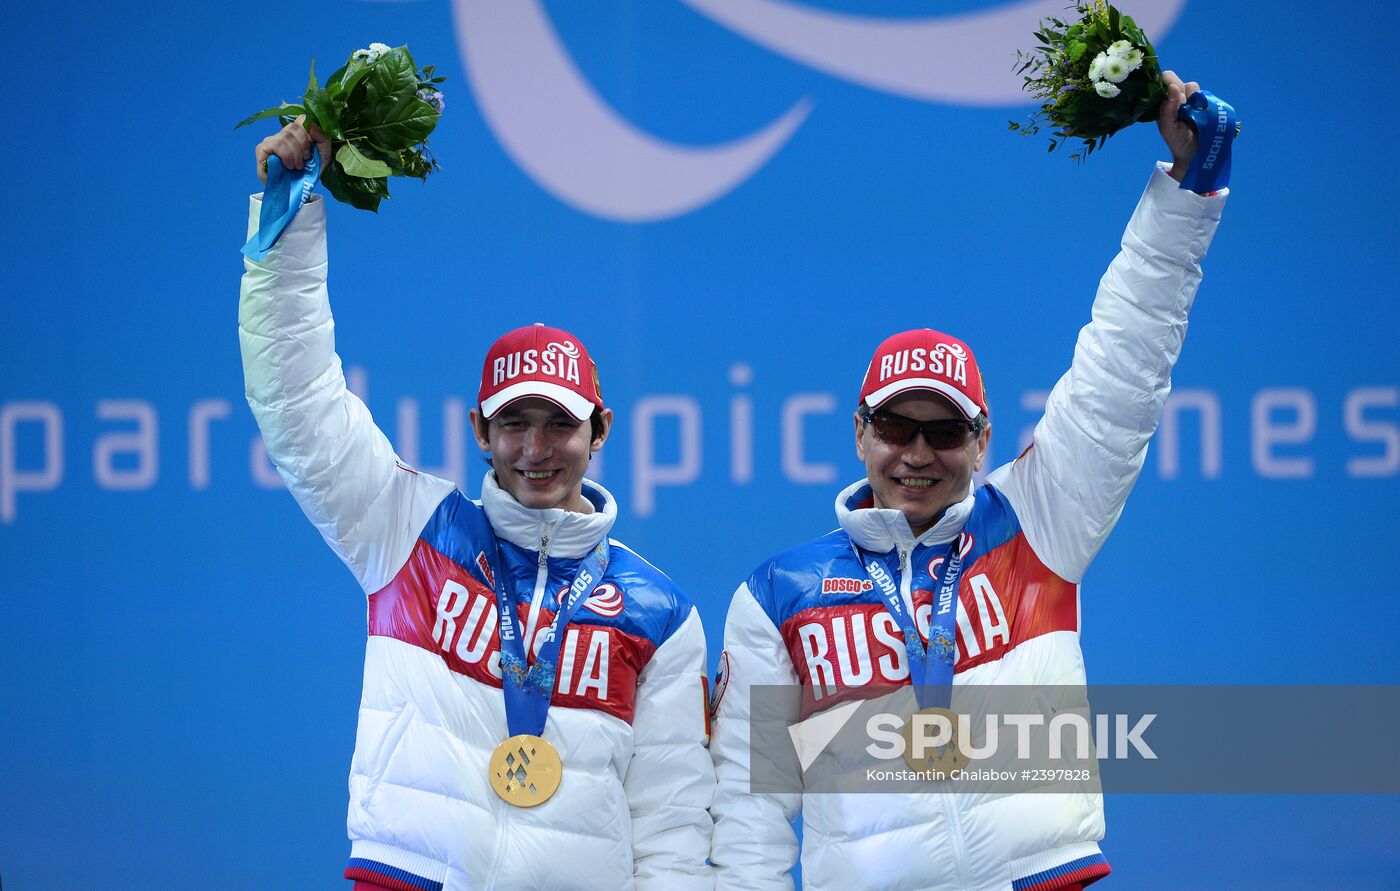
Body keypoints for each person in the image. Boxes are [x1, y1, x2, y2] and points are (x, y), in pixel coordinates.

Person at [708, 72, 1227, 890]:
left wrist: (1186, 197)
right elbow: (747, 810)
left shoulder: (1039, 518)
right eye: (894, 427)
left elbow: (1121, 367)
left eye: (944, 430)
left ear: (983, 441)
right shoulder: (779, 596)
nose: (917, 452)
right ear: (858, 432)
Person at [241, 120, 714, 891]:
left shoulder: (659, 613)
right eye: (514, 423)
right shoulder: (406, 526)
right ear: (478, 431)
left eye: (560, 422)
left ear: (600, 432)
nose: (536, 447)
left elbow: (671, 824)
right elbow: (298, 403)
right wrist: (290, 224)